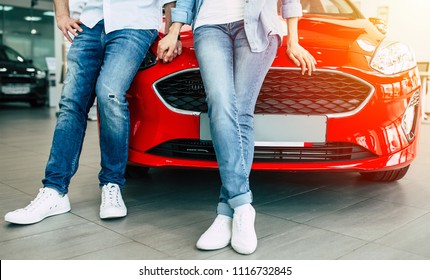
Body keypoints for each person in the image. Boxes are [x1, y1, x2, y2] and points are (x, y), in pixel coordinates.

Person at [157, 0, 316, 254]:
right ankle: (243, 206)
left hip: (256, 25)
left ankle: (225, 213)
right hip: (209, 25)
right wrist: (173, 31)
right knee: (220, 103)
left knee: (241, 112)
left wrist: (293, 41)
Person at [4, 0, 177, 225]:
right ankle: (54, 190)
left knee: (110, 94)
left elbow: (171, 2)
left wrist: (173, 33)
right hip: (91, 22)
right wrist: (62, 15)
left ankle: (111, 184)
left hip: (135, 23)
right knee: (70, 103)